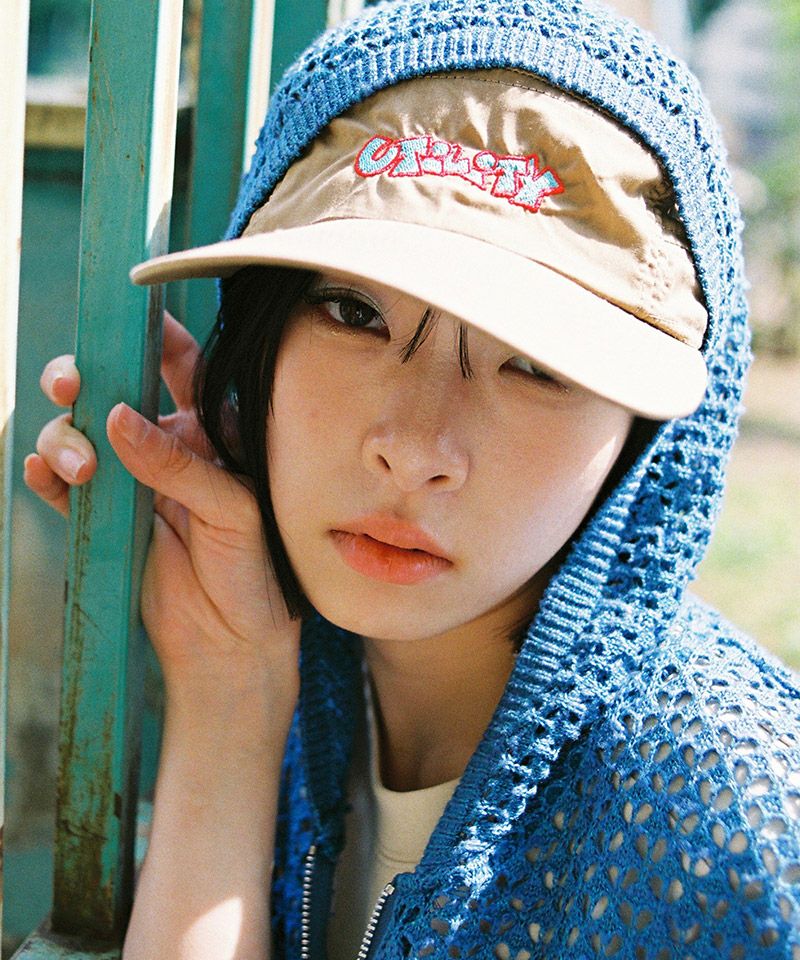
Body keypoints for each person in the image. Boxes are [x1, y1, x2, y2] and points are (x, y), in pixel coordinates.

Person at [25, 0, 800, 957]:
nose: (414, 446)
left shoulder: (738, 833)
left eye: (536, 364)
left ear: (652, 434)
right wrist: (229, 685)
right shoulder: (293, 670)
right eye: (353, 313)